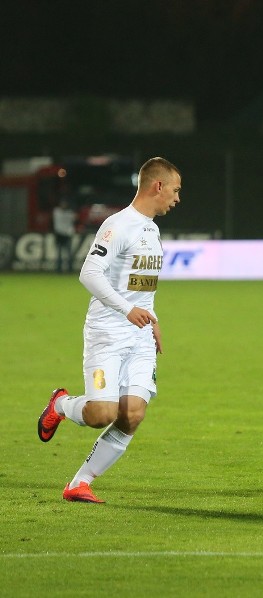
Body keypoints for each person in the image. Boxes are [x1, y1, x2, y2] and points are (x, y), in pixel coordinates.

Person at [37, 157, 182, 503]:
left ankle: (79, 483)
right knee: (102, 414)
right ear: (157, 186)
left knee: (132, 414)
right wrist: (127, 309)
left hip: (140, 335)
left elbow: (142, 286)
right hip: (108, 333)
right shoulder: (119, 225)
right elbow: (89, 273)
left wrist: (152, 318)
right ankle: (61, 404)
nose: (177, 199)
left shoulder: (152, 229)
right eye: (175, 191)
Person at [52, 198, 76, 273]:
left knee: (68, 253)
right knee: (59, 254)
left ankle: (70, 269)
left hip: (67, 235)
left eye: (65, 204)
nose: (63, 205)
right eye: (62, 204)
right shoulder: (57, 212)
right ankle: (59, 269)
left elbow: (75, 218)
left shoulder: (69, 213)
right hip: (59, 235)